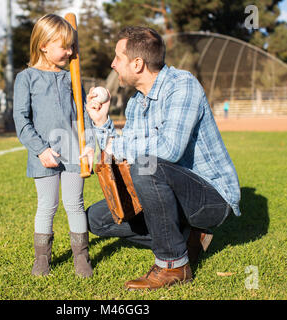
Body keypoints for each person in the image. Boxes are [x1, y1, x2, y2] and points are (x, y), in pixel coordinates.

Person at [84, 26, 241, 290]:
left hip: (211, 198)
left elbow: (169, 149)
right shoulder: (135, 103)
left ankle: (173, 265)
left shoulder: (182, 85)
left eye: (117, 58)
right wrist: (102, 123)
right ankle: (185, 238)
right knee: (96, 218)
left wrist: (115, 146)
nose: (112, 64)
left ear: (137, 63)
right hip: (167, 191)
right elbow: (124, 157)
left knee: (147, 165)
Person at [13, 14, 95, 278]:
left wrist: (89, 145)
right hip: (43, 155)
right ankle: (42, 260)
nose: (70, 51)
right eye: (65, 46)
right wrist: (40, 149)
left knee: (75, 204)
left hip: (73, 152)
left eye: (72, 46)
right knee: (47, 206)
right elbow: (21, 119)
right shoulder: (26, 78)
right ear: (44, 45)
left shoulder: (72, 75)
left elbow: (83, 115)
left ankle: (81, 258)